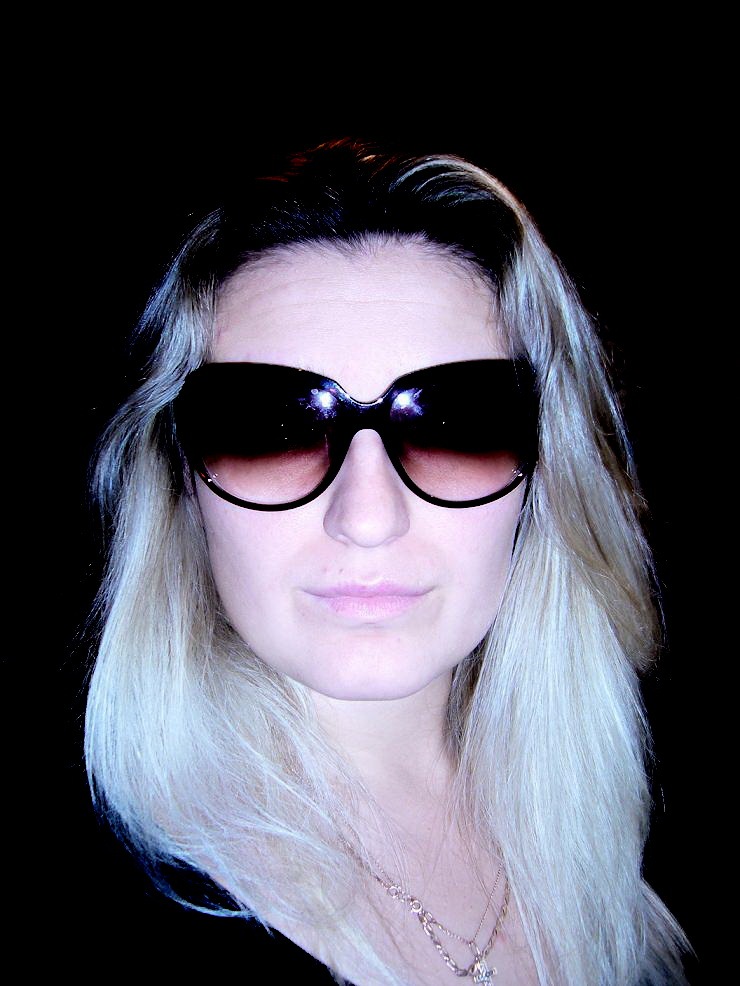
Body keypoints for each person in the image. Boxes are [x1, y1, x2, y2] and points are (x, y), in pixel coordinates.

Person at [82, 136, 693, 985]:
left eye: (454, 421)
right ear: (182, 481)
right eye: (273, 427)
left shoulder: (637, 846)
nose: (367, 519)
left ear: (546, 479)